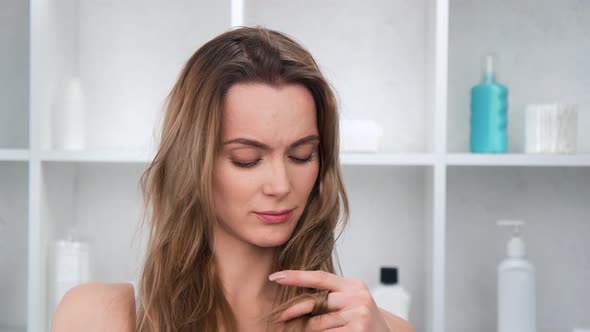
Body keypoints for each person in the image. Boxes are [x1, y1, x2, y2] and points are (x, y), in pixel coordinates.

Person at [50, 26, 416, 332]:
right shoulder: (99, 316)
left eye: (301, 156)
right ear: (193, 163)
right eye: (247, 160)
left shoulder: (380, 328)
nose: (281, 185)